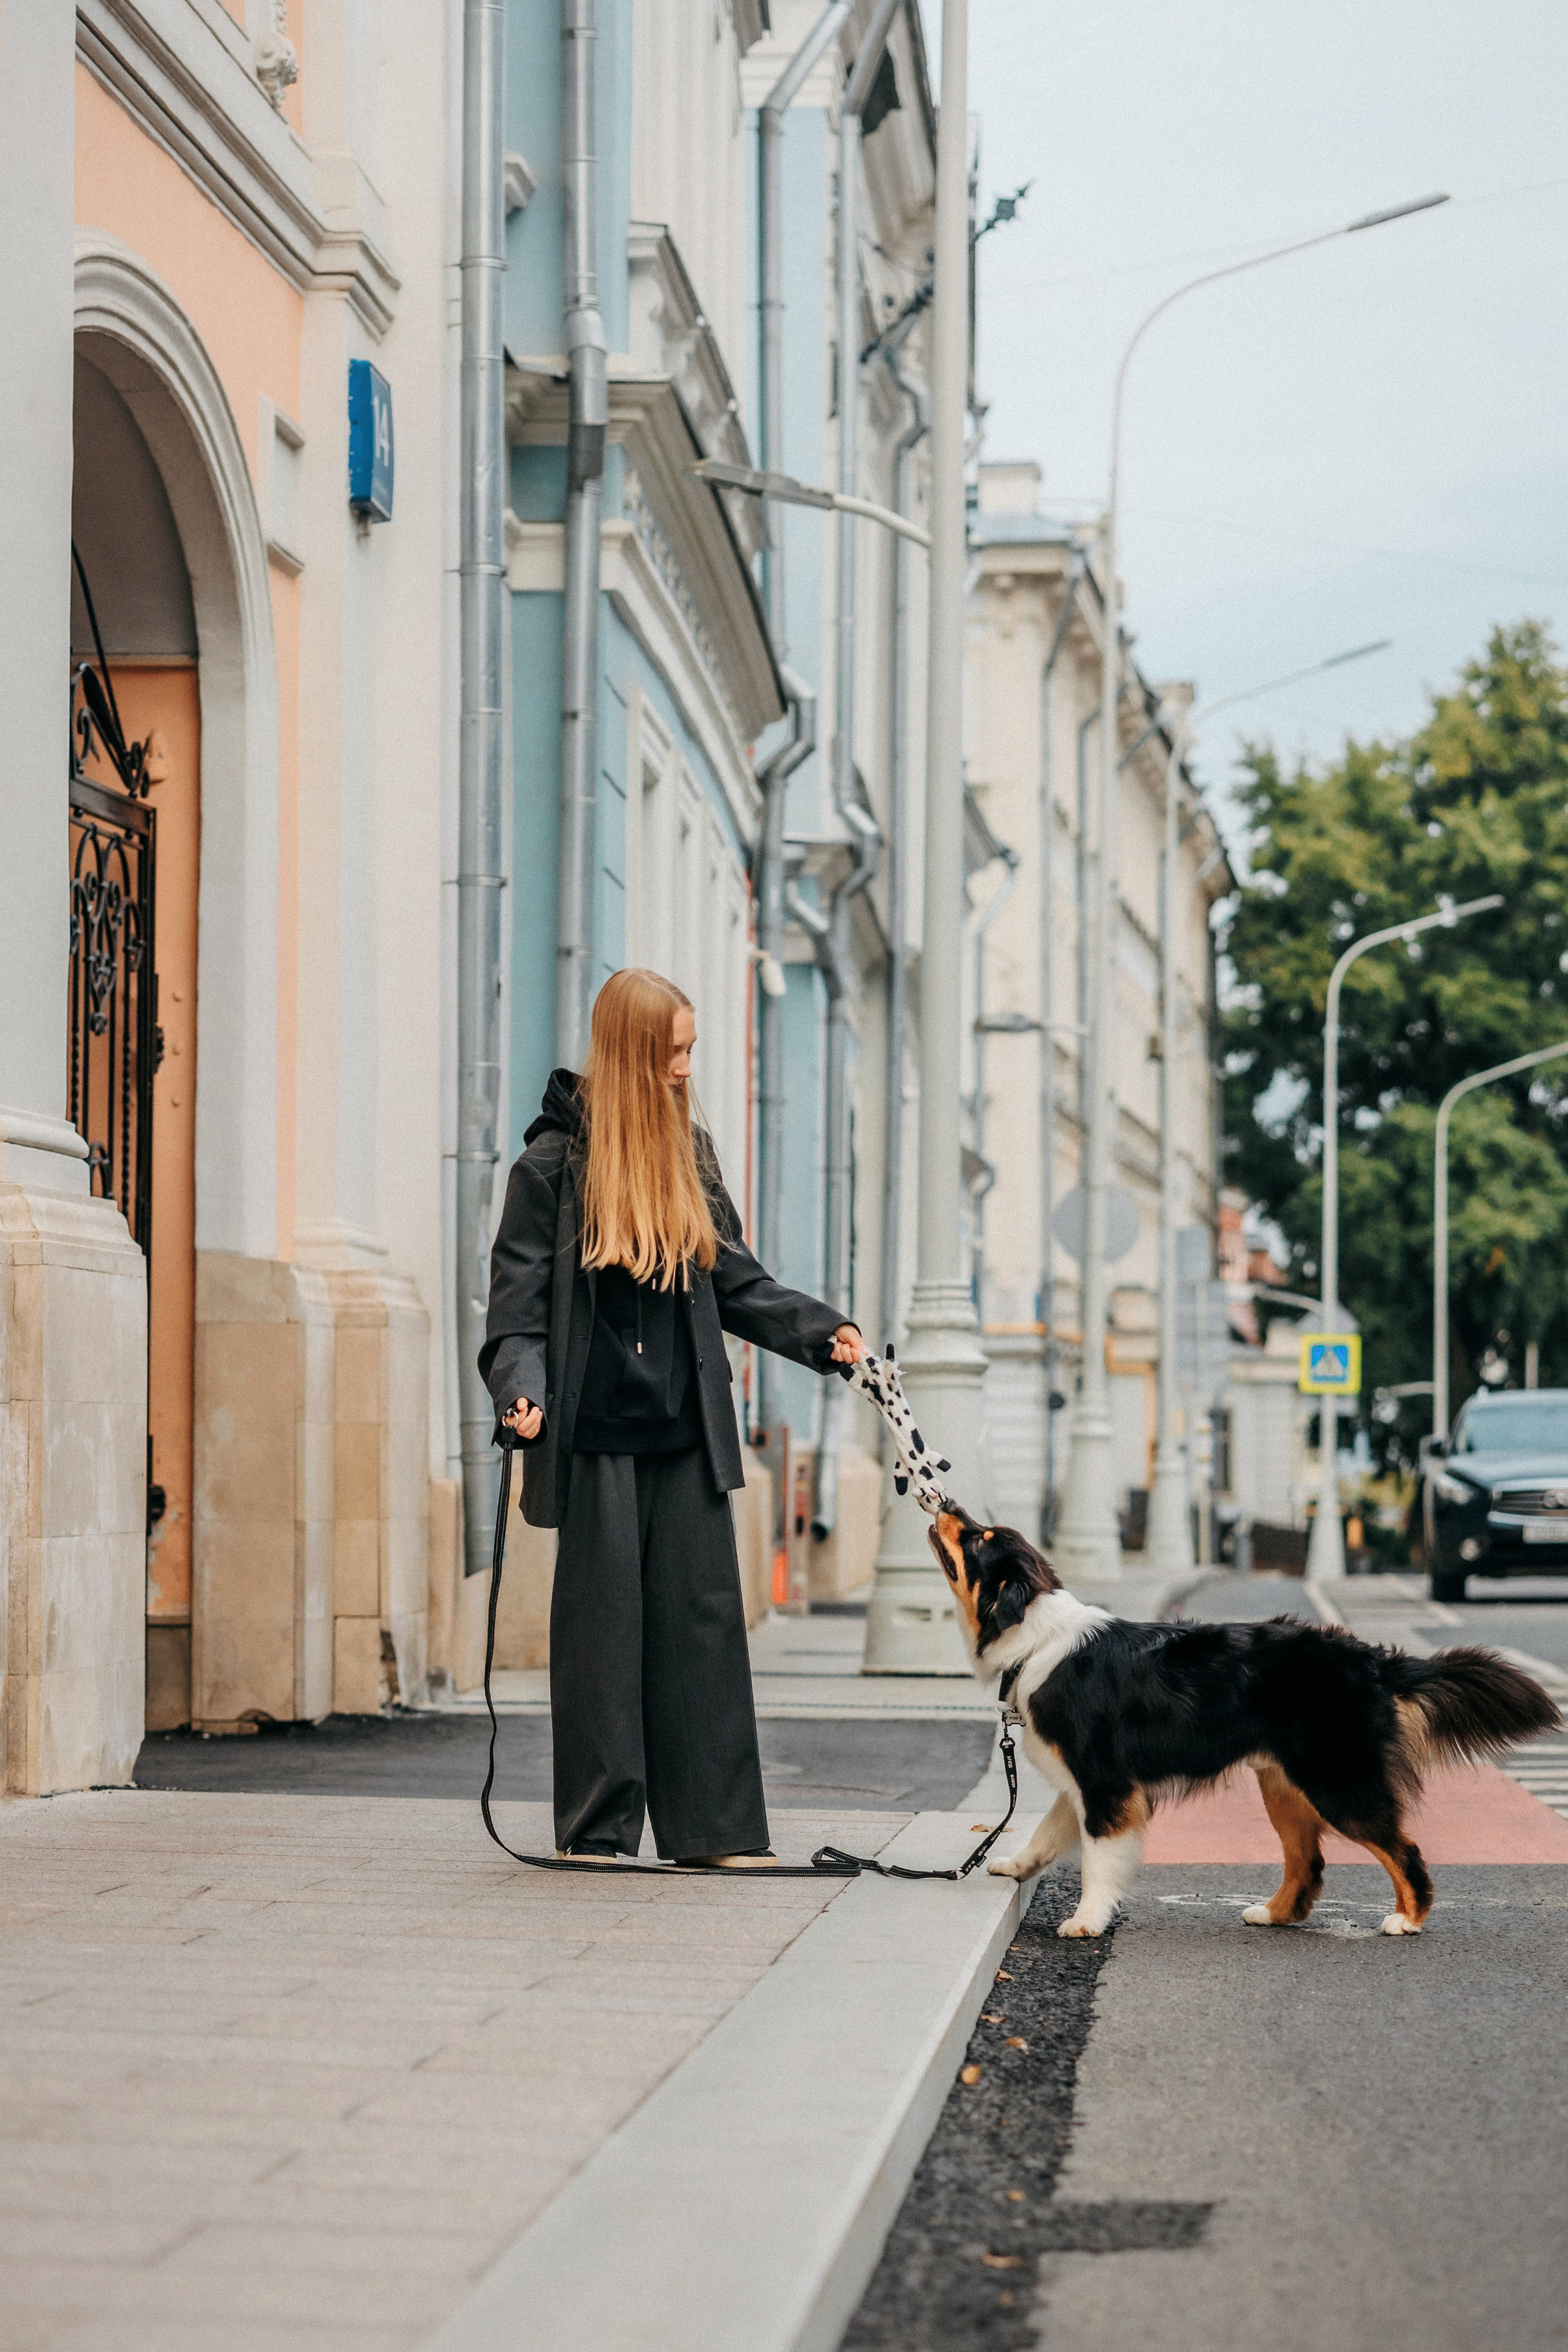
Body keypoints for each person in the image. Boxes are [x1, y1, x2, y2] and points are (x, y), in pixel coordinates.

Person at [480, 967, 865, 1867]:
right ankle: (599, 1832)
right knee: (602, 1644)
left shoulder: (691, 1157)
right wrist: (519, 1393)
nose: (686, 1069)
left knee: (702, 1633)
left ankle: (717, 1834)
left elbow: (739, 1282)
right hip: (596, 1445)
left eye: (689, 1050)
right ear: (629, 1054)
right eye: (673, 1052)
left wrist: (823, 1332)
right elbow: (516, 1314)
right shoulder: (547, 1169)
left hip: (687, 1436)